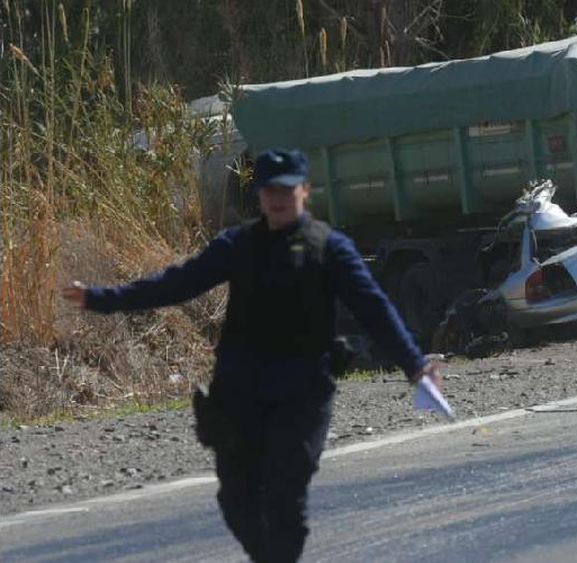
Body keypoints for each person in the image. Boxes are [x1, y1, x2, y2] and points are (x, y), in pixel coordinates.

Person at [61, 147, 441, 562]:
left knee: (283, 498)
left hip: (303, 396)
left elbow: (375, 309)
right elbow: (175, 284)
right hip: (240, 395)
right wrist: (101, 299)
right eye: (268, 189)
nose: (277, 197)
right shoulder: (237, 245)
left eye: (286, 188)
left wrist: (414, 365)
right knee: (237, 502)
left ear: (305, 191)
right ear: (258, 195)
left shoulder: (329, 249)